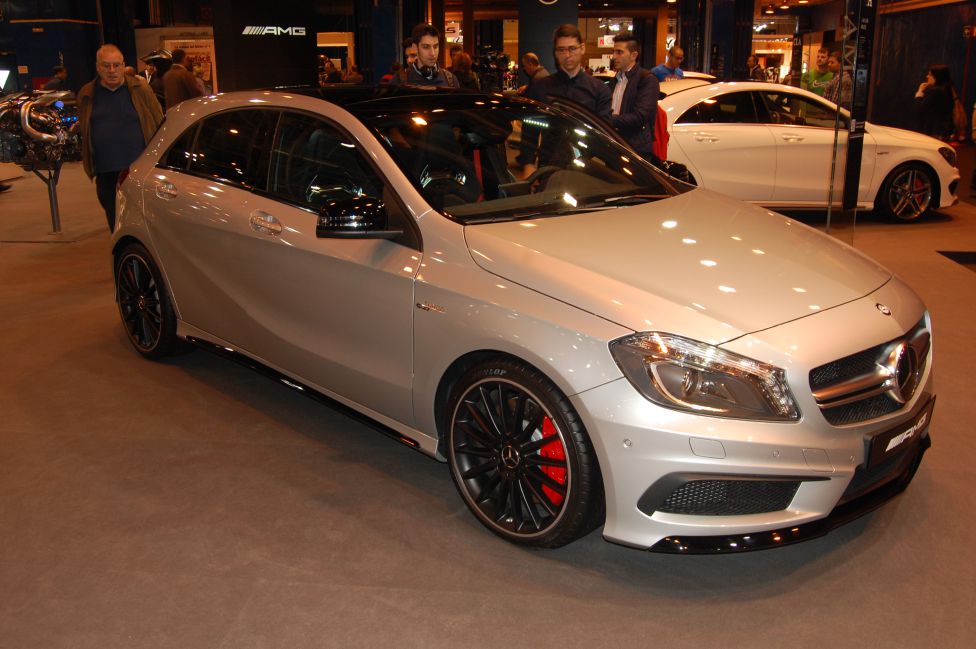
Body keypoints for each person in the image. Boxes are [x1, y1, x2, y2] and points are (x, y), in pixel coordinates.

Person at [77, 44, 163, 231]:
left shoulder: (141, 89)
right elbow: (84, 128)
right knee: (116, 224)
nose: (112, 71)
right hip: (106, 173)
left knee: (145, 223)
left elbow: (158, 122)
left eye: (116, 65)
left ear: (124, 65)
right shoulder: (86, 94)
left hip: (139, 171)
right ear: (98, 67)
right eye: (106, 66)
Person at [521, 24, 612, 176]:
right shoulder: (541, 88)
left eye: (572, 48)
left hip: (588, 167)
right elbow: (530, 129)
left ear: (582, 48)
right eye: (561, 50)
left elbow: (604, 135)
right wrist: (528, 163)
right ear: (556, 53)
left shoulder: (599, 90)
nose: (567, 55)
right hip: (548, 165)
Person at [608, 32, 659, 162]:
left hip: (636, 151)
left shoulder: (647, 80)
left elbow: (640, 117)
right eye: (614, 52)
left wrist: (608, 120)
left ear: (633, 55)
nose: (614, 57)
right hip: (614, 146)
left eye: (619, 52)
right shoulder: (615, 81)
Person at [390, 24, 460, 88]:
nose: (432, 53)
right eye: (426, 47)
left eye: (435, 47)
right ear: (415, 48)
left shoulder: (451, 81)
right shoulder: (399, 80)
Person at [914, 64, 955, 141]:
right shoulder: (947, 90)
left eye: (930, 74)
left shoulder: (934, 91)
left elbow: (920, 110)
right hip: (943, 132)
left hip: (932, 132)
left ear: (937, 76)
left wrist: (919, 92)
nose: (927, 76)